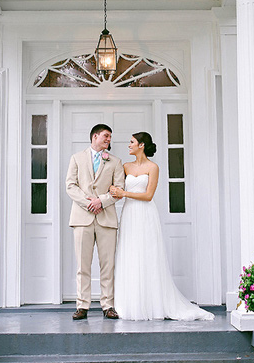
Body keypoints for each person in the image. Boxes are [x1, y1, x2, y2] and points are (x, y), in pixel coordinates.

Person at [110, 132, 214, 322]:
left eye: (132, 142)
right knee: (130, 253)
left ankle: (152, 304)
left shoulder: (153, 167)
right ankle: (129, 304)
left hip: (145, 214)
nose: (129, 145)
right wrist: (116, 192)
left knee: (148, 255)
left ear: (141, 145)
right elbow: (116, 188)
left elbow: (148, 195)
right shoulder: (124, 166)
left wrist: (124, 193)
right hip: (129, 214)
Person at [66, 124, 125, 320]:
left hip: (106, 219)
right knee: (83, 265)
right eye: (105, 136)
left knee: (108, 265)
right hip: (82, 219)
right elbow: (71, 186)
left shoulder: (115, 162)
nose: (108, 139)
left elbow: (119, 189)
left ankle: (108, 305)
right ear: (95, 136)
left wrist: (102, 201)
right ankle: (82, 305)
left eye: (110, 137)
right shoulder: (76, 158)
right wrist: (89, 203)